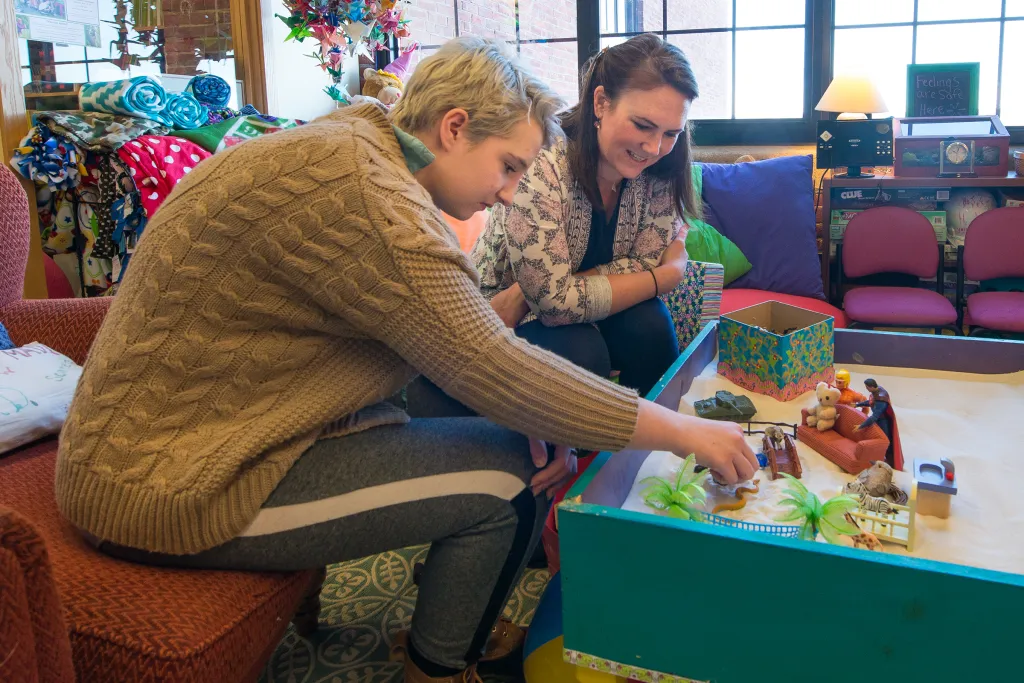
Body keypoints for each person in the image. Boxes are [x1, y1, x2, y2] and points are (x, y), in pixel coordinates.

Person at [54, 37, 757, 683]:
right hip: (163, 484)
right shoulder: (373, 197)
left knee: (529, 427)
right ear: (453, 128)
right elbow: (491, 359)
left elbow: (447, 337)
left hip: (194, 435)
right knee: (509, 482)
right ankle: (439, 667)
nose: (510, 190)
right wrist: (684, 431)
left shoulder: (354, 145)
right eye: (507, 166)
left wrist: (530, 398)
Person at [471, 33, 701, 397]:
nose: (654, 148)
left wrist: (545, 288)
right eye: (642, 125)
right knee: (581, 351)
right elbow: (552, 304)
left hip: (538, 303)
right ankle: (578, 452)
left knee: (649, 324)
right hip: (501, 317)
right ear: (600, 103)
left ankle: (652, 450)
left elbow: (644, 259)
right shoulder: (544, 161)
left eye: (670, 133)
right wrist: (665, 277)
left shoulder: (661, 170)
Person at [854, 379, 904, 470]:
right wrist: (857, 405)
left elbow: (874, 417)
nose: (866, 389)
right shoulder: (875, 393)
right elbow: (870, 402)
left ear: (871, 387)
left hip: (882, 421)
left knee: (885, 440)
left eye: (867, 387)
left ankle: (887, 460)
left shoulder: (881, 399)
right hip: (878, 420)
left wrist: (861, 426)